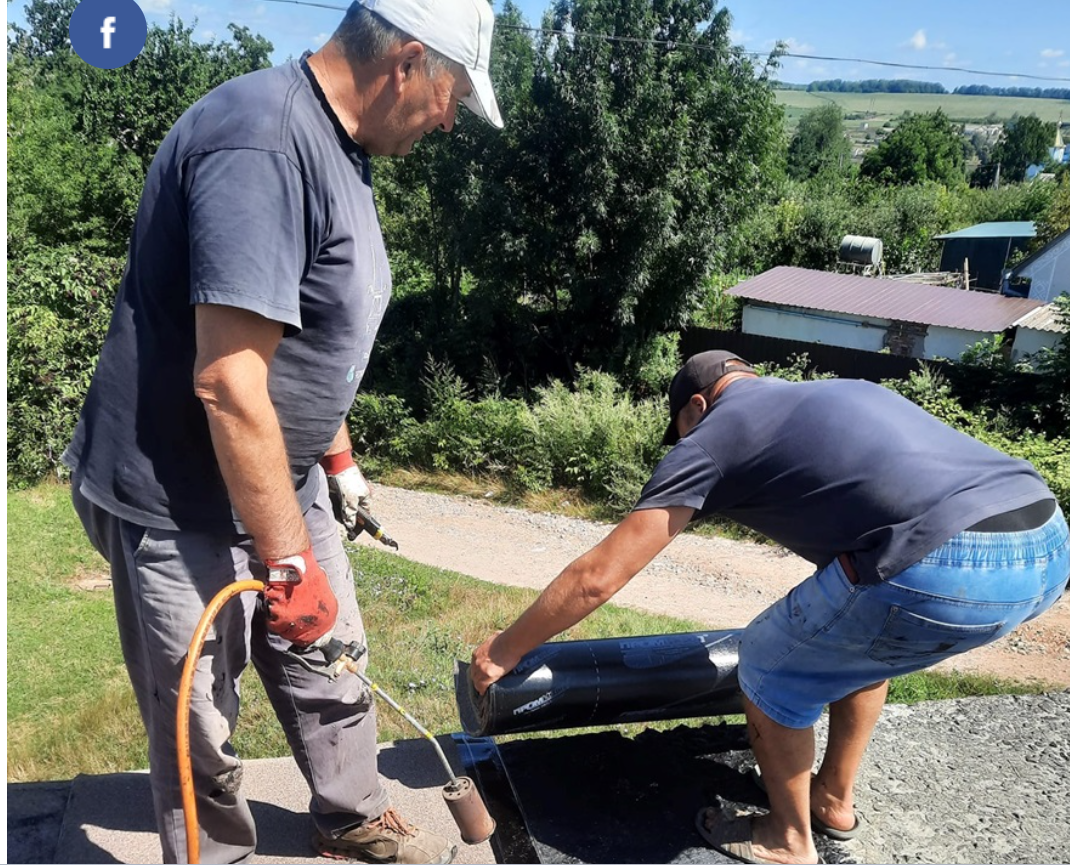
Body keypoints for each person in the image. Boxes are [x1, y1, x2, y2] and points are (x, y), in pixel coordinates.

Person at [63, 0, 503, 861]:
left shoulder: (342, 147)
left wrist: (336, 458)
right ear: (406, 62)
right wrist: (291, 559)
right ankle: (215, 852)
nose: (451, 121)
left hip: (282, 476)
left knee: (333, 656)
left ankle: (351, 814)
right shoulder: (260, 144)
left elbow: (303, 338)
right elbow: (229, 379)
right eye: (451, 96)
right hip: (177, 496)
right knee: (198, 714)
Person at [470, 350, 1069, 865]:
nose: (684, 443)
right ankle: (832, 799)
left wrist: (505, 650)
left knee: (768, 663)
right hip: (1046, 542)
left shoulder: (713, 436)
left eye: (681, 429)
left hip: (943, 561)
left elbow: (600, 576)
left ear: (698, 408)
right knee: (857, 641)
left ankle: (788, 839)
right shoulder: (841, 393)